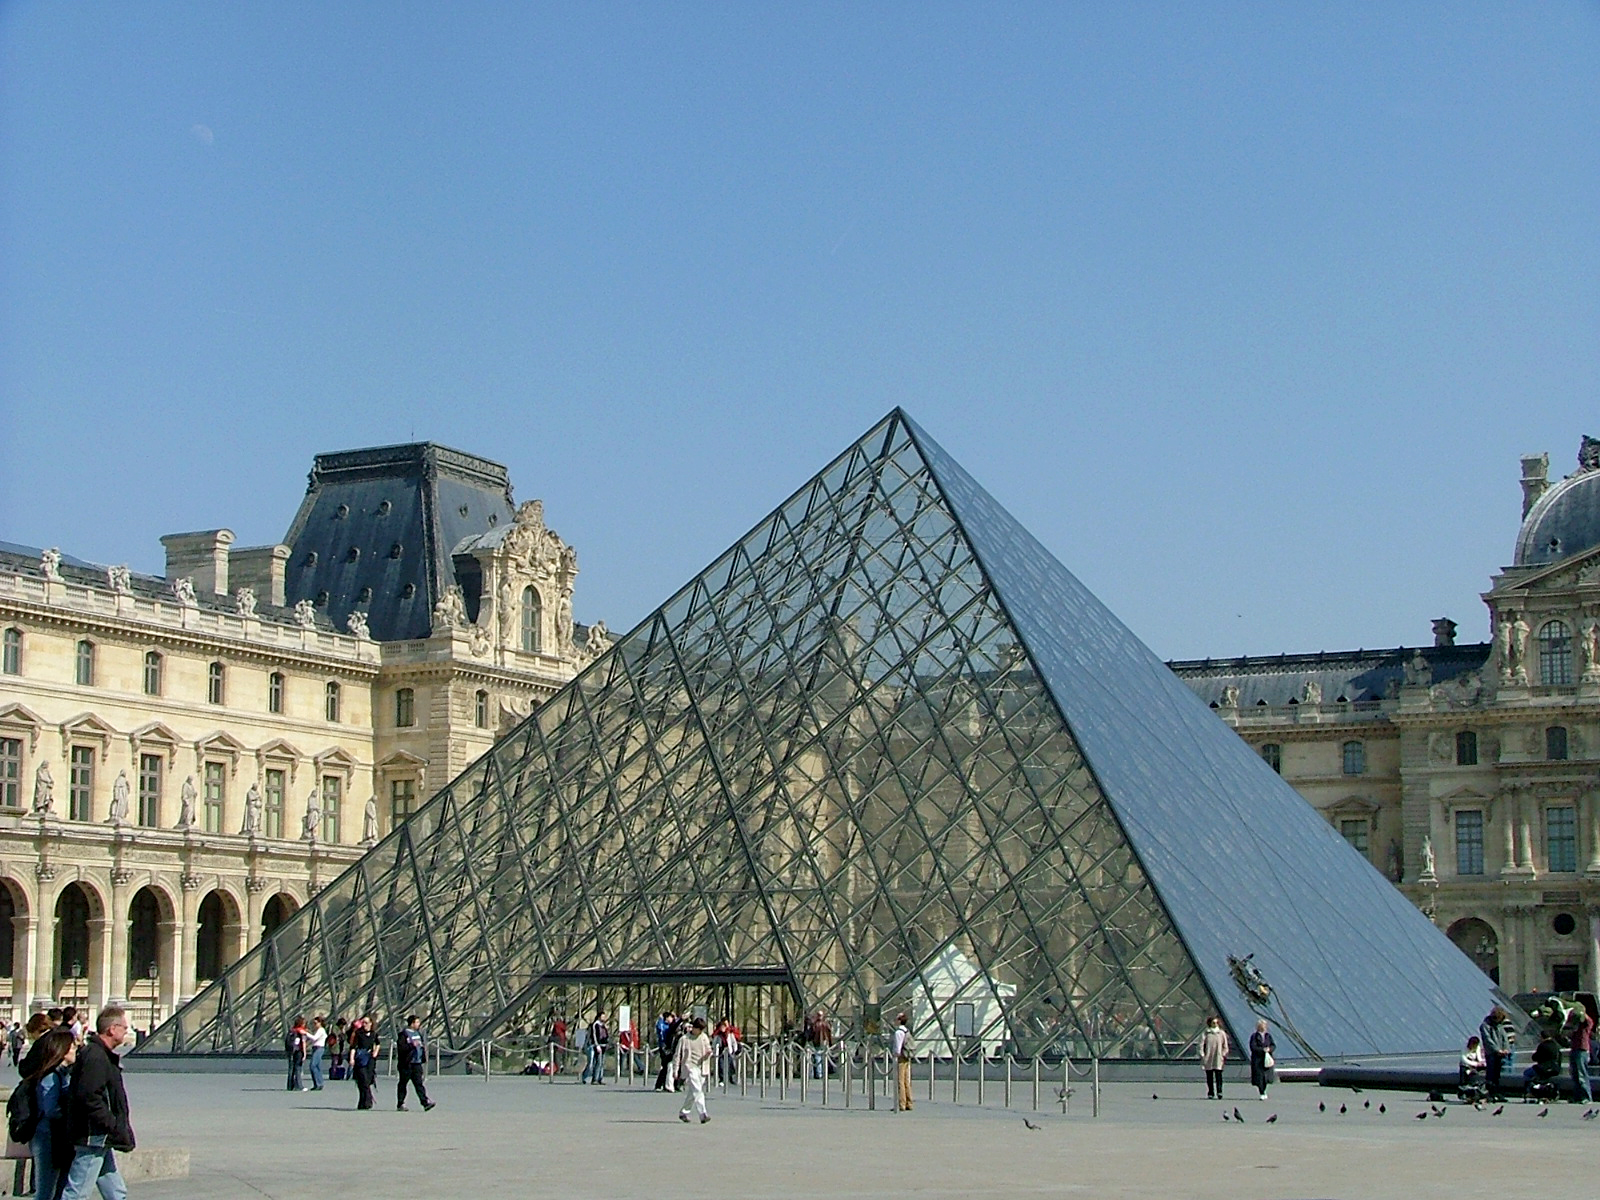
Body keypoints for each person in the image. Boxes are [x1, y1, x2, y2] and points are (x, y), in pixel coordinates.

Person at [59, 1005, 134, 1200]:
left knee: (115, 1190)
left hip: (100, 1134)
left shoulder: (99, 1054)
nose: (127, 1031)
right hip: (94, 1134)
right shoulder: (96, 1056)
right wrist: (110, 1123)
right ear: (112, 1029)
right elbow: (89, 1096)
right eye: (124, 1027)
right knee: (77, 1192)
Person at [24, 1027, 76, 1200]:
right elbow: (50, 1109)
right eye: (72, 1046)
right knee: (45, 1189)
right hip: (47, 1136)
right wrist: (70, 1114)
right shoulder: (51, 1076)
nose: (76, 1049)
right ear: (63, 1050)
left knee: (60, 1186)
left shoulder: (63, 1073)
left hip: (57, 1136)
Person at [674, 1017, 713, 1124]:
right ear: (694, 1028)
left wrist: (708, 1053)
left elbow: (708, 1049)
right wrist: (675, 1070)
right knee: (697, 1090)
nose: (700, 1032)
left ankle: (684, 1112)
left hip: (702, 1067)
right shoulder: (684, 1039)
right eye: (699, 1029)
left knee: (694, 1092)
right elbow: (677, 1055)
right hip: (690, 1066)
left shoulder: (703, 1037)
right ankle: (703, 1113)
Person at [396, 1015, 435, 1112]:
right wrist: (411, 1045)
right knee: (403, 1083)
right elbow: (401, 1048)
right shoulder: (404, 1034)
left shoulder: (418, 1033)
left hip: (417, 1063)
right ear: (412, 1023)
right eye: (417, 1022)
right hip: (407, 1063)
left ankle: (425, 1102)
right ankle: (400, 1103)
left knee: (419, 1084)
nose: (419, 1024)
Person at [1480, 1006, 1513, 1101]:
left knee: (1497, 1074)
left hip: (1500, 1053)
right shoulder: (1485, 1025)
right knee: (1490, 1074)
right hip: (1491, 1053)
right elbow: (1488, 1040)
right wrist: (1497, 1050)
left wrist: (1506, 1049)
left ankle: (1496, 1093)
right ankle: (1489, 1093)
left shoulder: (1499, 1025)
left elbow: (1504, 1038)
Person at [349, 1014, 381, 1110]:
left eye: (366, 1023)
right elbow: (353, 1047)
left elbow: (378, 1044)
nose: (364, 1025)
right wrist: (352, 1059)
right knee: (362, 1080)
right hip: (360, 1058)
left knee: (368, 1080)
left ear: (371, 1023)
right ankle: (367, 1101)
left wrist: (375, 1052)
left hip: (370, 1059)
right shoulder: (358, 1033)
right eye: (363, 1023)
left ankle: (364, 1102)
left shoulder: (373, 1034)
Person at [1200, 1015, 1230, 1100]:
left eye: (1216, 1023)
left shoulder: (1221, 1033)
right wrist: (1202, 1055)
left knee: (1218, 1075)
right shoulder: (1206, 1033)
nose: (1215, 1024)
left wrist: (1223, 1054)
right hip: (1208, 1057)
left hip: (1218, 1057)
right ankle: (1211, 1092)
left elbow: (1225, 1046)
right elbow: (1201, 1045)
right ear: (1210, 1023)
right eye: (1213, 1023)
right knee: (1209, 1076)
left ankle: (1219, 1091)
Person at [1569, 1006, 1594, 1103]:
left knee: (1582, 1074)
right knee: (1575, 1074)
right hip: (1574, 1049)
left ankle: (1587, 1097)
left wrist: (1582, 1012)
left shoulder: (1585, 1026)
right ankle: (1577, 1097)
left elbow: (1590, 1021)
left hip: (1582, 1050)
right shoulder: (1576, 1026)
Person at [891, 1012, 914, 1111]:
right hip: (907, 1056)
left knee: (900, 1081)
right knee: (906, 1081)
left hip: (901, 1057)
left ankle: (902, 1103)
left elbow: (898, 1047)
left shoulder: (898, 1032)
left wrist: (895, 1055)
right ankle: (909, 1102)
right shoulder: (907, 1031)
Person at [1248, 1019, 1275, 1101]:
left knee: (1266, 1077)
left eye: (1265, 1026)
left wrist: (1269, 1049)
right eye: (1262, 1026)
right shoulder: (1254, 1036)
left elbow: (1273, 1045)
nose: (1264, 1027)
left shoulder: (1268, 1036)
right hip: (1258, 1060)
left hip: (1267, 1060)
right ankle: (1262, 1092)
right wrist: (1262, 1050)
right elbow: (1253, 1047)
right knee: (1260, 1077)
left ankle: (1264, 1090)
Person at [654, 1012, 680, 1092]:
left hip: (668, 1046)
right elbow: (660, 1028)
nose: (671, 1019)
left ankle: (663, 1084)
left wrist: (676, 1018)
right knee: (665, 1066)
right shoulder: (663, 1025)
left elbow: (676, 1023)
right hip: (663, 1046)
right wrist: (661, 1019)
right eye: (670, 1017)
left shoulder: (669, 1025)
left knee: (666, 1067)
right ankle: (659, 1084)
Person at [581, 1010, 608, 1084]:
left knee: (602, 1063)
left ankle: (600, 1078)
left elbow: (606, 1035)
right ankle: (594, 1078)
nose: (604, 1018)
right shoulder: (595, 1025)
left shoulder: (604, 1025)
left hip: (603, 1046)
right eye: (602, 1016)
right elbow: (594, 1035)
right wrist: (596, 1045)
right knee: (597, 1062)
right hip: (597, 1045)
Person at [284, 1017, 309, 1091]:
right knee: (298, 1068)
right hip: (298, 1051)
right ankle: (299, 1085)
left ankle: (290, 1086)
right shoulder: (301, 1032)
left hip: (290, 1051)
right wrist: (304, 1053)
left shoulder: (291, 1031)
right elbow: (303, 1043)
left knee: (291, 1068)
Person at [307, 1016, 328, 1091]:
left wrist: (306, 1033)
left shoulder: (321, 1030)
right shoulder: (318, 1030)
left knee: (313, 1065)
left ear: (320, 1023)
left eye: (315, 1023)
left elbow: (314, 1038)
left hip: (319, 1048)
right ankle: (319, 1083)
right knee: (317, 1066)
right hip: (316, 1048)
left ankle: (318, 1083)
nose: (314, 1025)